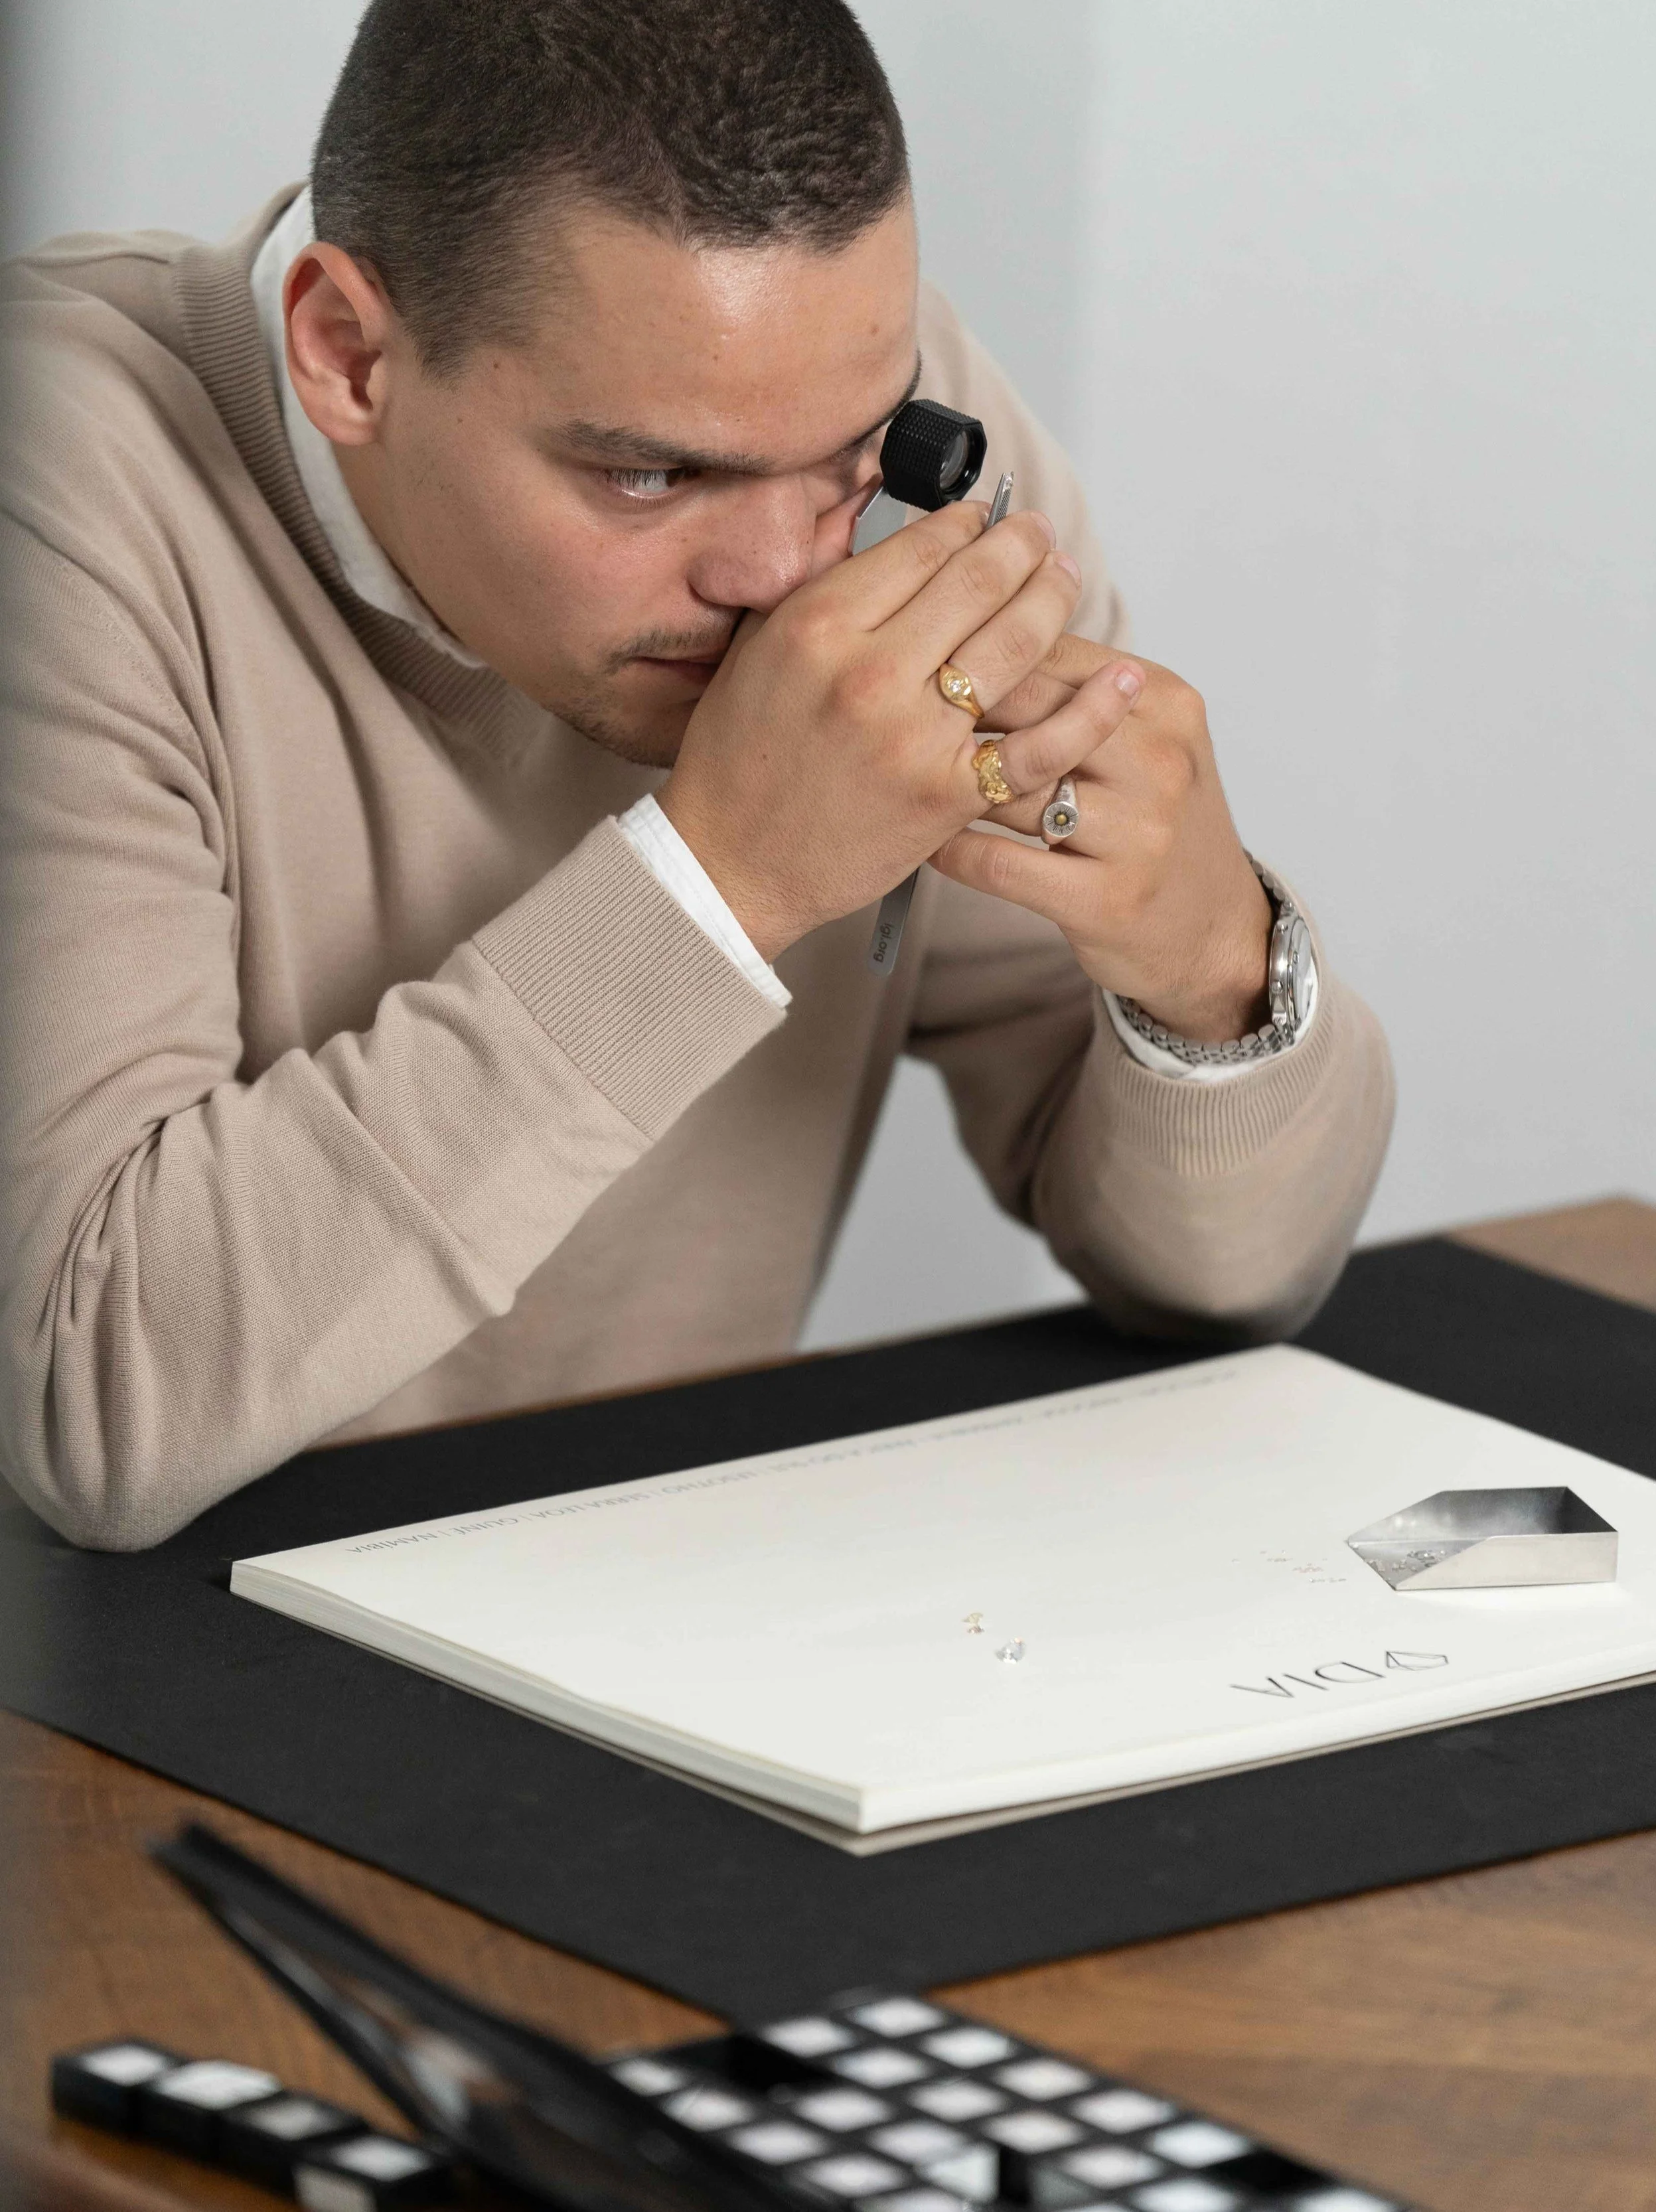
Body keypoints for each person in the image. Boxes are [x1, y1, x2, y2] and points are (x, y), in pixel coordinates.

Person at [0, 0, 1393, 1551]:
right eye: (648, 474)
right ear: (346, 355)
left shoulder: (909, 470)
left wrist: (1207, 977)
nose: (778, 569)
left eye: (847, 450)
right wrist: (727, 877)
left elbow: (1226, 1285)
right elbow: (87, 1402)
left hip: (683, 1607)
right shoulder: (54, 487)